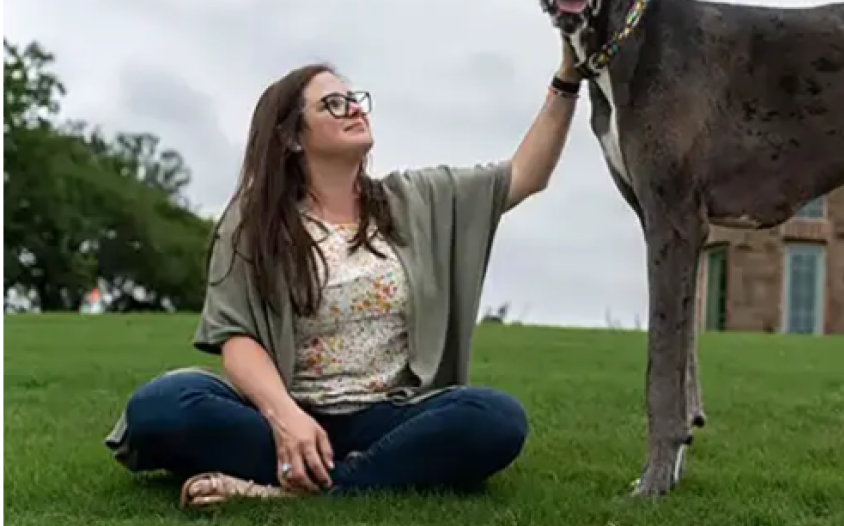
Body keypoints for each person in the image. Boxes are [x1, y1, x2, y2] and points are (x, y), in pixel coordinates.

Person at [103, 38, 584, 507]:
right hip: (283, 414)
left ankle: (301, 488)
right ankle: (352, 470)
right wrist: (285, 417)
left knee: (495, 418)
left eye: (354, 99)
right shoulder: (254, 220)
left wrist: (567, 78)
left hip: (387, 416)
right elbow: (236, 337)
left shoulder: (416, 200)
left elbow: (525, 174)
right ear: (292, 136)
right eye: (333, 104)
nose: (354, 109)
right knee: (162, 405)